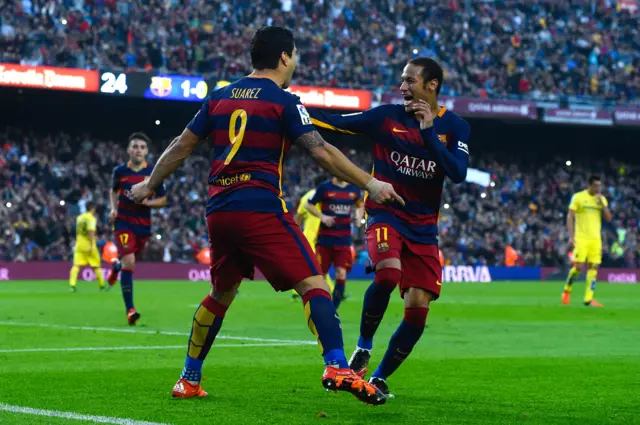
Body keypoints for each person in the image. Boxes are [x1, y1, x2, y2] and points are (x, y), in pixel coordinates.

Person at [130, 26, 403, 404]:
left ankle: (189, 378)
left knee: (220, 293)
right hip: (259, 207)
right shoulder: (284, 101)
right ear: (285, 58)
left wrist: (149, 184)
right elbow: (321, 151)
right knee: (314, 285)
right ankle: (337, 364)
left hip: (219, 211)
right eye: (295, 57)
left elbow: (182, 145)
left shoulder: (219, 98)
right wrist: (370, 185)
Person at [309, 57, 470, 398]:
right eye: (402, 80)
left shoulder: (455, 127)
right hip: (386, 212)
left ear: (432, 85)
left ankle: (379, 378)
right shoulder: (386, 117)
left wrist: (429, 136)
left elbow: (457, 173)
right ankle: (363, 349)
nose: (402, 87)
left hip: (424, 227)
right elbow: (335, 122)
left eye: (410, 80)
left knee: (417, 313)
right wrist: (292, 107)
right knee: (387, 275)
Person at [107, 132, 167, 325]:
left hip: (143, 225)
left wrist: (147, 203)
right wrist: (113, 209)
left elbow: (163, 199)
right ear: (128, 150)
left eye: (142, 147)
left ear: (147, 151)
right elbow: (114, 190)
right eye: (135, 146)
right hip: (123, 223)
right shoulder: (120, 172)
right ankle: (130, 310)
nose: (138, 150)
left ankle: (117, 267)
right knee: (130, 261)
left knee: (128, 262)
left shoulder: (153, 173)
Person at [306, 177, 363, 309]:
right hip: (325, 239)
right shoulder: (324, 187)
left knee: (341, 273)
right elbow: (309, 205)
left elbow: (360, 205)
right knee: (320, 274)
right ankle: (318, 303)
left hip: (344, 239)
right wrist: (323, 217)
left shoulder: (354, 190)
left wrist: (358, 218)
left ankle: (333, 309)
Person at [562, 175, 612, 307]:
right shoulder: (578, 197)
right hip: (581, 238)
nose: (598, 188)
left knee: (593, 267)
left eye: (599, 186)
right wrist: (572, 237)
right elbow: (570, 217)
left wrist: (603, 205)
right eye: (595, 186)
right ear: (588, 185)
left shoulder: (601, 199)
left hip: (595, 239)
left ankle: (588, 299)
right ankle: (567, 290)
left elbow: (608, 218)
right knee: (578, 267)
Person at [294, 176, 335, 299]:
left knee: (312, 264)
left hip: (308, 236)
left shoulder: (305, 197)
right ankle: (331, 289)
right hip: (320, 236)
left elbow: (298, 217)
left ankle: (296, 292)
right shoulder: (325, 196)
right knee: (317, 265)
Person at [69, 201, 105, 292]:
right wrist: (92, 244)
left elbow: (80, 232)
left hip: (79, 245)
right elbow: (90, 231)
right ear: (93, 208)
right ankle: (102, 285)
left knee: (76, 266)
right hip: (89, 245)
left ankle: (72, 285)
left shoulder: (79, 218)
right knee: (96, 266)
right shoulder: (91, 218)